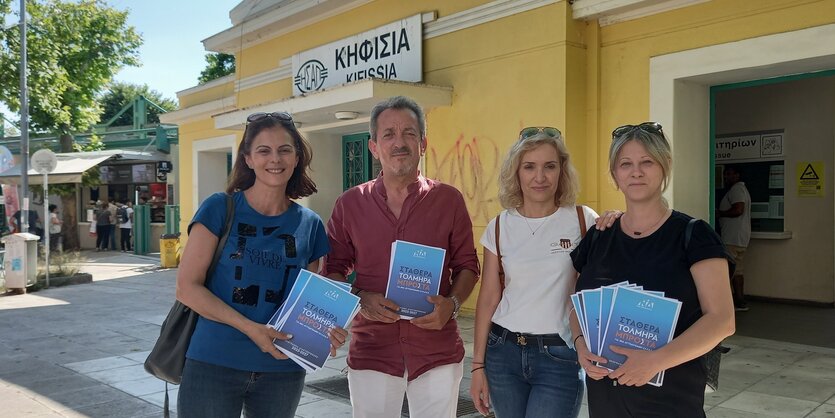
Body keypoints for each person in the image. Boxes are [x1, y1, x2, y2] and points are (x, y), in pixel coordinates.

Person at [175, 111, 347, 418]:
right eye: (263, 151)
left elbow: (306, 306)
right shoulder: (219, 208)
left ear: (297, 157)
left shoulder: (311, 225)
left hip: (282, 369)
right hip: (214, 362)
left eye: (284, 150)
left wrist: (325, 331)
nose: (275, 159)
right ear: (248, 159)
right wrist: (251, 329)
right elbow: (187, 288)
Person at [325, 96, 480, 418]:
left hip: (436, 347)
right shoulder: (349, 204)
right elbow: (334, 269)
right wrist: (360, 298)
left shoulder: (448, 200)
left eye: (409, 133)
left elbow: (467, 265)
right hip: (372, 348)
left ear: (423, 143)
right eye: (389, 134)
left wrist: (451, 305)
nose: (399, 143)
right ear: (373, 147)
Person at [570, 122, 735, 417]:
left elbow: (722, 320)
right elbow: (577, 307)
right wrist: (581, 346)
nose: (636, 172)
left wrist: (655, 361)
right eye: (626, 164)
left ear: (665, 166)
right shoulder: (598, 236)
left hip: (671, 400)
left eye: (647, 162)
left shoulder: (694, 235)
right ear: (614, 173)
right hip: (607, 400)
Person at [469, 127, 596, 418]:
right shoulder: (499, 227)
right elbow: (489, 298)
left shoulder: (583, 220)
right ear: (516, 172)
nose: (540, 177)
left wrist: (615, 220)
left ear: (561, 171)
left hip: (560, 354)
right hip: (503, 353)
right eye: (529, 167)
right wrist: (478, 365)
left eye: (549, 166)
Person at [717, 164, 751, 312]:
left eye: (731, 174)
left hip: (731, 238)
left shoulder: (737, 189)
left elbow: (738, 209)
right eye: (726, 174)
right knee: (738, 271)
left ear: (738, 175)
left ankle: (723, 305)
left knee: (726, 271)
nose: (727, 177)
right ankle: (740, 301)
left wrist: (720, 213)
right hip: (740, 238)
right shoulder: (741, 189)